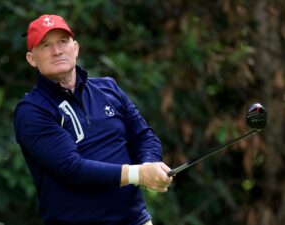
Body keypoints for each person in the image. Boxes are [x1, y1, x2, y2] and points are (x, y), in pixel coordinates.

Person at [13, 14, 173, 225]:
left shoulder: (108, 88)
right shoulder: (32, 111)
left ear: (76, 47)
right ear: (31, 59)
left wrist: (150, 162)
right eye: (45, 45)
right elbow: (72, 168)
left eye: (63, 41)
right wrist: (140, 174)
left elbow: (142, 135)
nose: (57, 50)